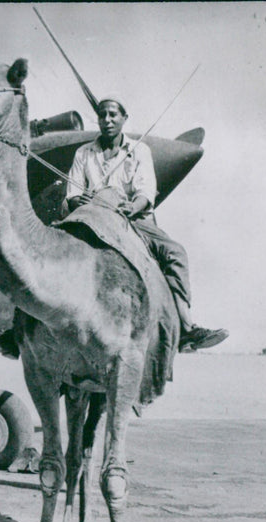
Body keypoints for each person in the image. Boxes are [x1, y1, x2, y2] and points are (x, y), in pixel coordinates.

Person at [66, 96, 228, 352]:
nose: (106, 120)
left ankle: (186, 328)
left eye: (112, 115)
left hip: (131, 218)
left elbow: (146, 191)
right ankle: (15, 332)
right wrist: (78, 199)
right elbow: (72, 191)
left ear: (123, 119)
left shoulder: (139, 150)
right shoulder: (83, 153)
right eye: (102, 115)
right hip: (92, 217)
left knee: (175, 252)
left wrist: (134, 206)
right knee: (45, 247)